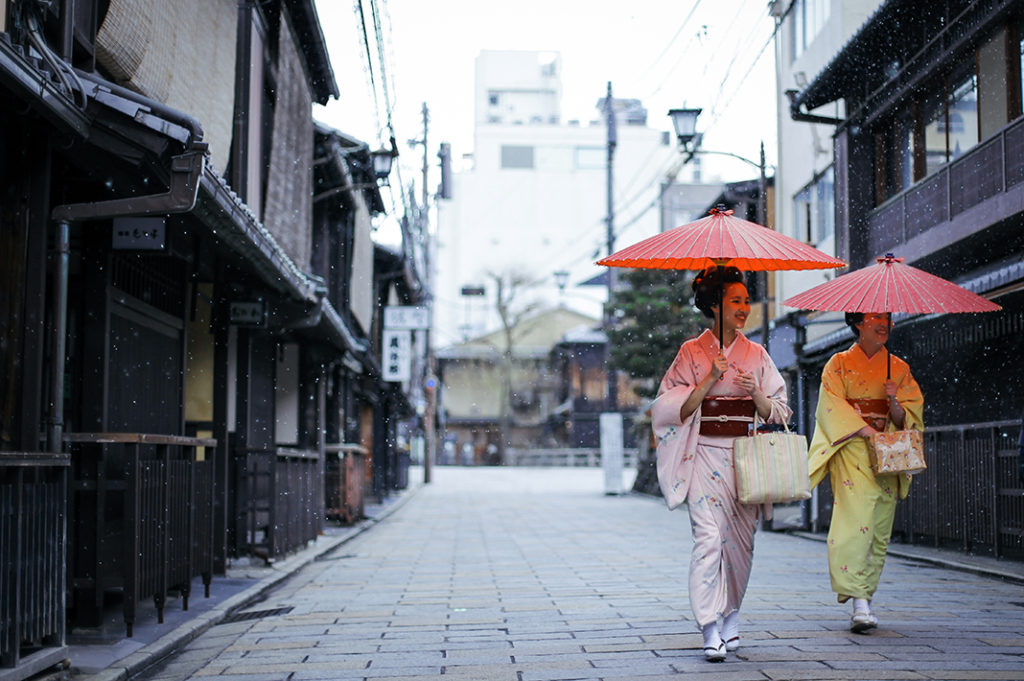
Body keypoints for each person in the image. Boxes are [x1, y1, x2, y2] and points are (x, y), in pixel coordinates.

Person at [651, 266, 791, 662]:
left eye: (747, 301)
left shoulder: (757, 355)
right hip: (702, 454)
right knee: (709, 540)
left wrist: (756, 394)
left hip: (744, 459)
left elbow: (780, 411)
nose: (744, 308)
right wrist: (708, 379)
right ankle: (709, 626)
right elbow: (669, 410)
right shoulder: (691, 353)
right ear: (715, 305)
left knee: (740, 544)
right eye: (735, 301)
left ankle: (732, 615)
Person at [807, 312, 924, 633]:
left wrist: (894, 402)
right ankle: (859, 602)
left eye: (887, 317)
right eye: (875, 317)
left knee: (879, 525)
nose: (884, 322)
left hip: (887, 451)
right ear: (858, 322)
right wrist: (865, 430)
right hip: (854, 449)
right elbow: (829, 407)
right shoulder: (838, 363)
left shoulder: (898, 368)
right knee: (855, 519)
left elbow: (907, 416)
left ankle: (865, 597)